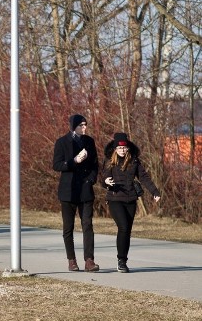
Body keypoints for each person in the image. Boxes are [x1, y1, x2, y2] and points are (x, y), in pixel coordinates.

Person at [102, 133, 162, 273]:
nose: (122, 150)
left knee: (127, 231)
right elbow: (104, 176)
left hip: (130, 199)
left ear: (127, 148)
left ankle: (123, 260)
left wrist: (155, 191)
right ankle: (121, 260)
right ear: (115, 148)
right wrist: (106, 182)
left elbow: (144, 177)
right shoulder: (109, 160)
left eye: (124, 147)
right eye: (119, 148)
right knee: (123, 227)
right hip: (115, 199)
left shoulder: (134, 161)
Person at [52, 114, 100, 272]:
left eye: (85, 125)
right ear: (73, 126)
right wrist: (74, 161)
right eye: (81, 125)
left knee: (87, 225)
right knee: (68, 227)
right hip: (68, 191)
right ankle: (71, 260)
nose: (84, 128)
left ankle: (89, 260)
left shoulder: (89, 141)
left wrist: (91, 179)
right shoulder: (61, 142)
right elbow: (57, 165)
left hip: (85, 190)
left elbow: (95, 164)